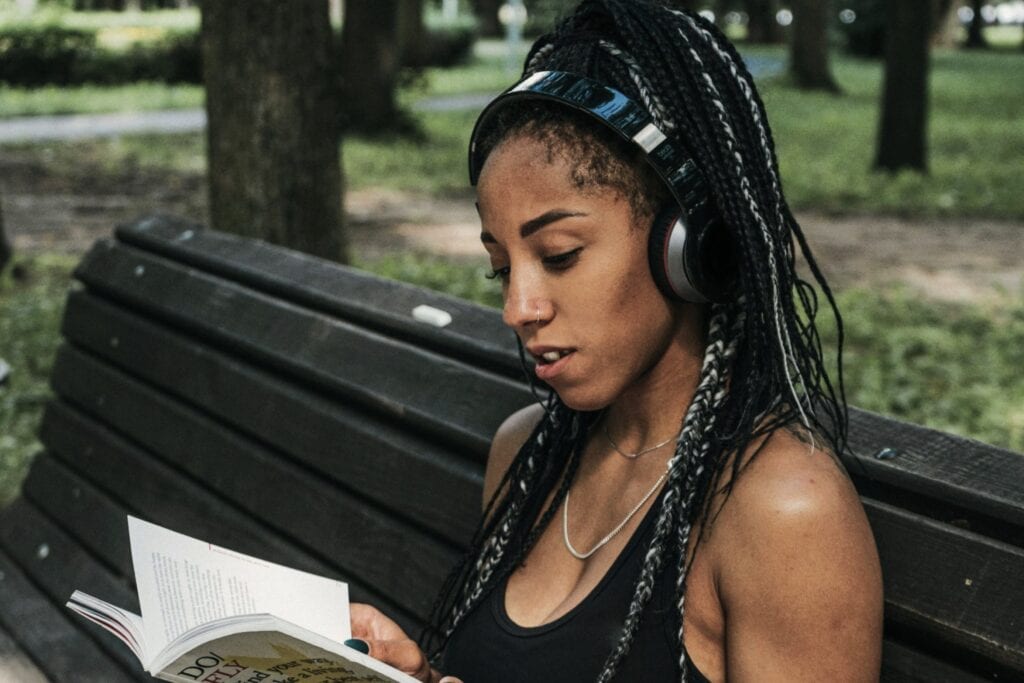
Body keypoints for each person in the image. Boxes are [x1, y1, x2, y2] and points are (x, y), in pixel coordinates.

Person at [348, 1, 883, 681]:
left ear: (688, 248)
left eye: (561, 254)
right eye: (501, 267)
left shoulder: (781, 510)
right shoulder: (527, 453)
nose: (519, 307)